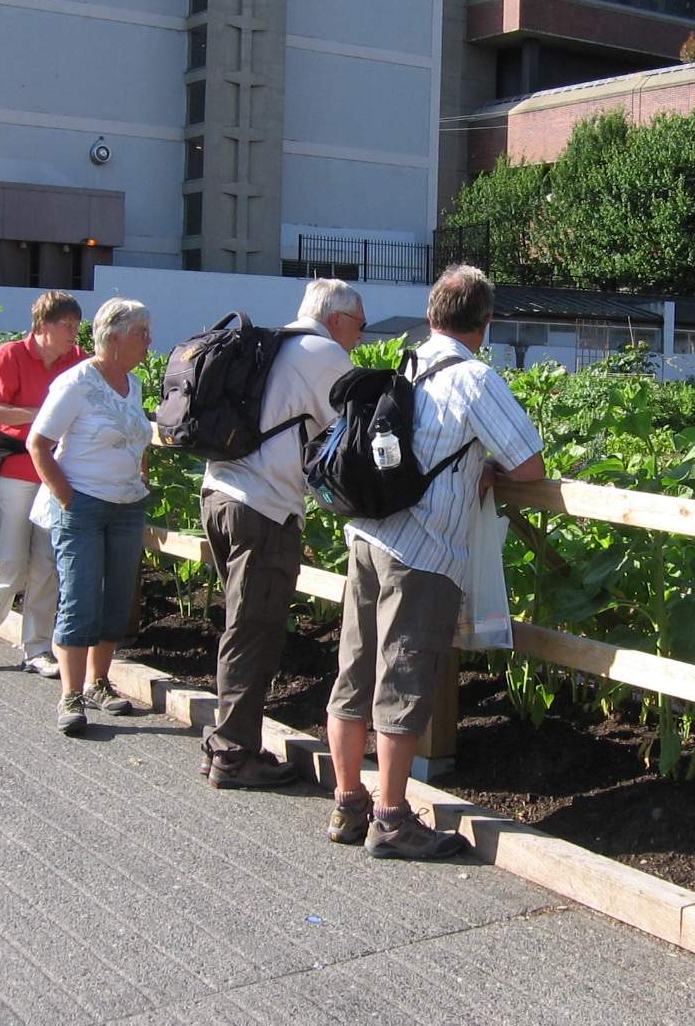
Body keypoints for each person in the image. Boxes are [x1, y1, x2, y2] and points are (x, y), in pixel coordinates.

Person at [326, 265, 544, 860]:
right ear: (486, 322)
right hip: (422, 551)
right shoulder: (475, 379)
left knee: (355, 671)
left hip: (368, 534)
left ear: (430, 315)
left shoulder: (407, 365)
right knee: (403, 679)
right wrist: (490, 470)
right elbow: (529, 466)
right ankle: (391, 818)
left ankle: (348, 804)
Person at [198, 278, 366, 789]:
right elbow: (359, 428)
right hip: (264, 507)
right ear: (336, 319)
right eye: (359, 326)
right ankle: (233, 755)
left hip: (218, 492)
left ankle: (223, 742)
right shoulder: (324, 354)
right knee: (255, 633)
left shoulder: (273, 342)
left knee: (240, 624)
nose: (359, 337)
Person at [27, 298, 154, 736]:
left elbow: (137, 434)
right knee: (80, 597)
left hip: (126, 505)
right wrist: (66, 497)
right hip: (83, 504)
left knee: (116, 597)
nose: (148, 342)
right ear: (114, 338)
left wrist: (140, 471)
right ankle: (71, 693)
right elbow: (38, 444)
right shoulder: (76, 382)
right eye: (141, 333)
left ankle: (100, 682)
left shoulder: (132, 383)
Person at [0, 291, 86, 676]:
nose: (73, 334)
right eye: (67, 326)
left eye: (76, 327)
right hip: (15, 471)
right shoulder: (9, 355)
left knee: (46, 564)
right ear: (42, 326)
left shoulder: (77, 360)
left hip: (54, 474)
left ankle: (36, 648)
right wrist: (45, 415)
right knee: (11, 561)